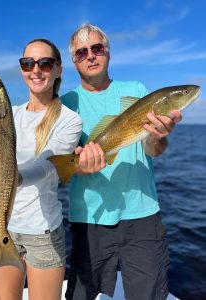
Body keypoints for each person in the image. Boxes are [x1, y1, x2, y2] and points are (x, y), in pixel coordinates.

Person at [60, 24, 182, 300]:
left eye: (97, 48)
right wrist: (79, 166)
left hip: (142, 216)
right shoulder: (66, 104)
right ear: (74, 62)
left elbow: (153, 150)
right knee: (81, 294)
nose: (90, 55)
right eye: (82, 52)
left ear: (108, 54)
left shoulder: (137, 90)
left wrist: (159, 137)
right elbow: (57, 167)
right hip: (89, 218)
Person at [0, 38, 82, 300]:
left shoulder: (69, 120)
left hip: (43, 233)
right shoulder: (11, 114)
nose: (36, 70)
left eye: (45, 63)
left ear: (58, 69)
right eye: (28, 63)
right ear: (21, 69)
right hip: (3, 226)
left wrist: (13, 178)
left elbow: (49, 165)